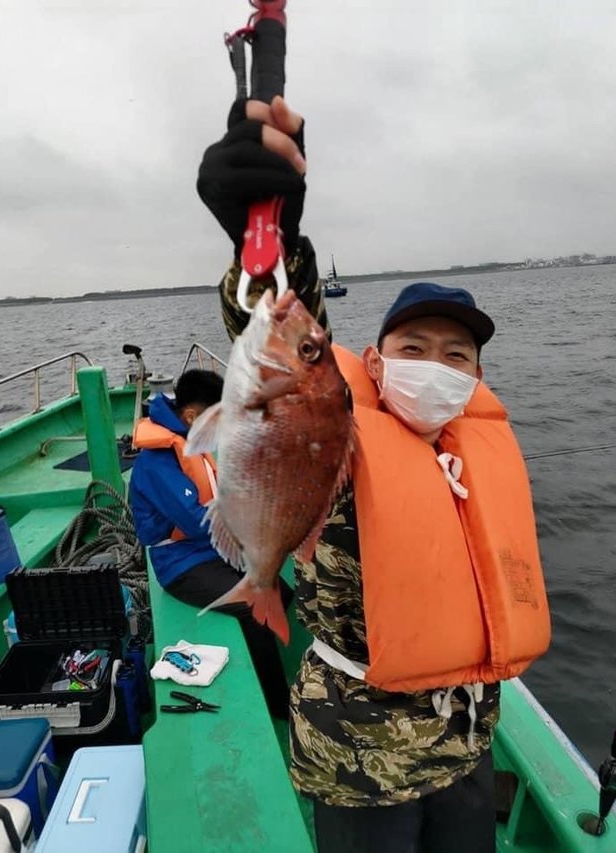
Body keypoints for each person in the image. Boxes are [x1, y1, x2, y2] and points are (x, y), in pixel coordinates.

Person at [196, 98, 551, 852]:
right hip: (357, 749)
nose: (436, 366)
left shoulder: (472, 445)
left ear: (478, 375)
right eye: (413, 346)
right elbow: (276, 320)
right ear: (378, 362)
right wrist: (264, 234)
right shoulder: (338, 417)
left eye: (457, 356)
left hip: (466, 735)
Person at [129, 368, 293, 719]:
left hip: (211, 551)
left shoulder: (187, 439)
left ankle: (270, 662)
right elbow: (195, 520)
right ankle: (277, 705)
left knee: (284, 590)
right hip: (181, 565)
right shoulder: (157, 462)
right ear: (192, 415)